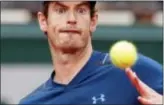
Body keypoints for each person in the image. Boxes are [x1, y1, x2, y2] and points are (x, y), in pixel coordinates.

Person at [19, 1, 163, 104]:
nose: (71, 19)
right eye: (60, 10)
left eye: (81, 10)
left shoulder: (133, 71)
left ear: (93, 21)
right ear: (43, 21)